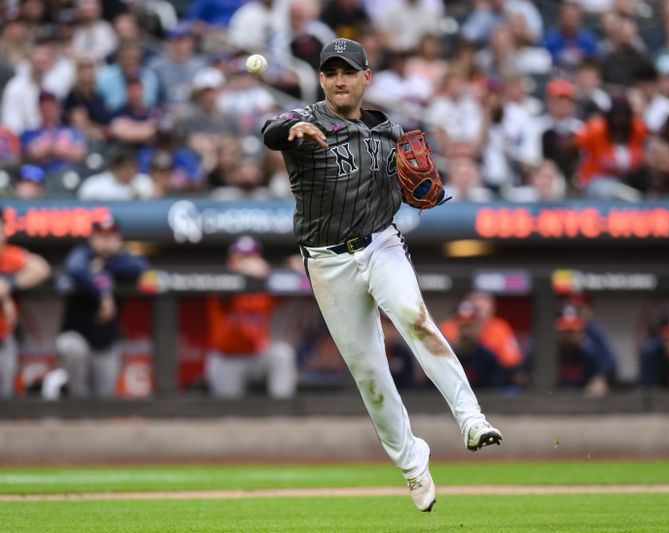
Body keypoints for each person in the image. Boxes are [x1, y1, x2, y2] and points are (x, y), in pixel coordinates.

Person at [261, 38, 502, 513]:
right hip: (328, 260)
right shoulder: (306, 121)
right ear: (322, 80)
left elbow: (421, 186)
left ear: (366, 77)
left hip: (380, 243)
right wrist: (294, 129)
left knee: (415, 319)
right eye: (330, 73)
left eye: (347, 71)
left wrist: (426, 188)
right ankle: (413, 465)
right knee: (370, 374)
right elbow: (271, 130)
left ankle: (471, 418)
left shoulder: (389, 131)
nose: (339, 80)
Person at [56, 215, 149, 398]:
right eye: (101, 236)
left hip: (105, 341)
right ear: (92, 238)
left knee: (105, 398)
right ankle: (76, 404)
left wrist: (104, 266)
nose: (106, 241)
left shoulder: (124, 258)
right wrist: (102, 294)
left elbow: (139, 267)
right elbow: (74, 268)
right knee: (70, 347)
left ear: (118, 239)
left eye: (110, 236)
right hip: (78, 336)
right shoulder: (81, 254)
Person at [205, 236, 297, 398]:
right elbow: (222, 293)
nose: (248, 262)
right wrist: (243, 272)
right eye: (241, 257)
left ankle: (282, 412)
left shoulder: (265, 285)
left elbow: (290, 283)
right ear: (230, 261)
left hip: (257, 356)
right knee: (228, 412)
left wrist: (293, 267)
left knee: (282, 354)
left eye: (252, 257)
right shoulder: (220, 280)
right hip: (227, 359)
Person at [0, 211, 51, 398]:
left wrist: (8, 285)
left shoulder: (8, 255)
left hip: (4, 337)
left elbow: (41, 268)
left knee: (5, 396)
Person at [555, 304, 615, 397]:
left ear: (580, 332)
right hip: (554, 399)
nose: (568, 336)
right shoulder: (548, 352)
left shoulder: (590, 351)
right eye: (565, 332)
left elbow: (606, 370)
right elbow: (526, 374)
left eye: (572, 331)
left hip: (582, 399)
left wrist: (598, 380)